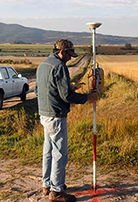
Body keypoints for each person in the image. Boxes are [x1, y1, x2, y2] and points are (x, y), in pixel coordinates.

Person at [36, 39, 98, 202]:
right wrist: (87, 97)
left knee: (48, 151)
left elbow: (39, 89)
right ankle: (57, 192)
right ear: (62, 52)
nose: (71, 58)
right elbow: (66, 96)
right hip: (56, 116)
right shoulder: (60, 66)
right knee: (60, 153)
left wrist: (69, 88)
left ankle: (47, 185)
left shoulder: (43, 64)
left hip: (44, 114)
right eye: (70, 54)